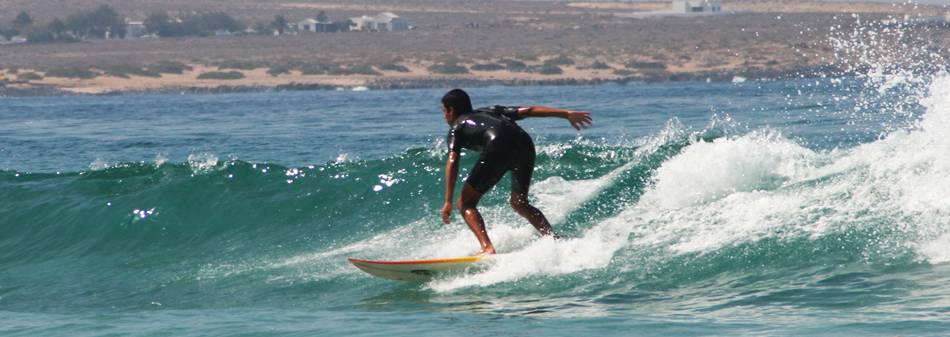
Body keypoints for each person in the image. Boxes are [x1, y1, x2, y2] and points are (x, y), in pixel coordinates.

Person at [439, 88, 592, 255]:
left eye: (443, 111)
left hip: (498, 146)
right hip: (524, 144)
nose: (444, 116)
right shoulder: (490, 111)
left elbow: (453, 160)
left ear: (450, 110)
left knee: (466, 203)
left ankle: (487, 247)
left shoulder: (456, 128)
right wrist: (566, 114)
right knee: (519, 203)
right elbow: (528, 111)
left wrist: (448, 201)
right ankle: (553, 238)